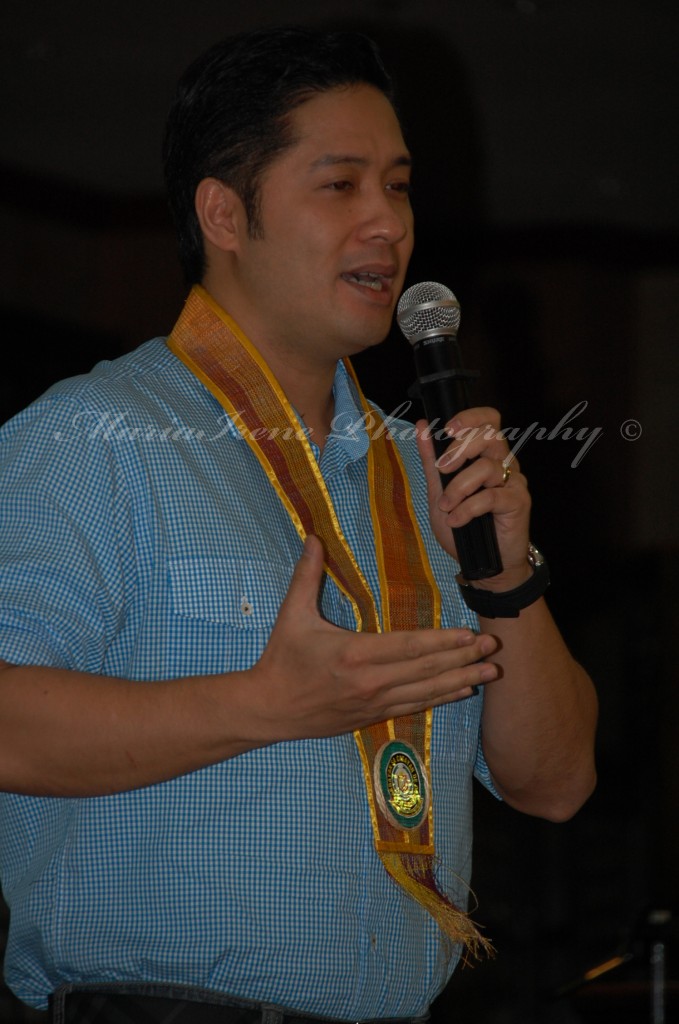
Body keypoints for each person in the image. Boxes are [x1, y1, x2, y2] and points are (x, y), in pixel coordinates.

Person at [0, 25, 597, 1024]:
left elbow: (557, 783)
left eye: (398, 186)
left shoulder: (425, 471)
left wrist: (505, 579)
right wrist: (266, 703)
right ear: (224, 213)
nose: (387, 222)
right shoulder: (93, 434)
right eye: (340, 184)